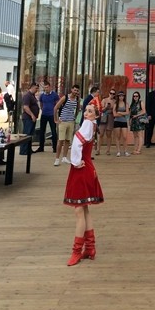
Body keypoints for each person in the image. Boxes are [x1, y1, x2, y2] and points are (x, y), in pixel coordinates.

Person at [63, 104, 104, 266]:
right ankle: (90, 247)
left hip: (81, 168)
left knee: (79, 210)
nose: (86, 113)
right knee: (84, 208)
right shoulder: (92, 125)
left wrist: (75, 160)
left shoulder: (87, 124)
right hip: (87, 167)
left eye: (90, 111)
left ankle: (76, 251)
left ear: (95, 115)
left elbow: (77, 142)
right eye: (86, 110)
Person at [54, 84, 80, 166]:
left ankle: (64, 157)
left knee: (68, 140)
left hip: (71, 121)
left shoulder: (77, 99)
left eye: (77, 90)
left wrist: (74, 118)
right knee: (60, 140)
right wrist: (56, 119)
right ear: (71, 90)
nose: (75, 92)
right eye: (74, 90)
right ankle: (57, 158)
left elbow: (77, 109)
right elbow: (56, 107)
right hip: (63, 121)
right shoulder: (65, 97)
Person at [36, 81, 60, 153]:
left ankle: (55, 147)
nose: (46, 89)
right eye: (45, 88)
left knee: (53, 131)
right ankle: (41, 147)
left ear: (50, 87)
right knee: (42, 131)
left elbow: (57, 104)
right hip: (44, 114)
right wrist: (43, 109)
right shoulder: (42, 95)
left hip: (52, 115)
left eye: (47, 87)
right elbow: (41, 104)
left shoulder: (54, 95)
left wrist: (55, 111)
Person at [20, 82, 40, 154]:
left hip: (32, 118)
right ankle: (24, 150)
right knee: (27, 134)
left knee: (30, 134)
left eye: (37, 88)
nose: (37, 90)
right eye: (36, 88)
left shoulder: (33, 96)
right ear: (32, 87)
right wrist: (32, 115)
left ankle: (28, 149)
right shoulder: (27, 96)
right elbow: (26, 107)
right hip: (28, 118)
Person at [113, 91, 130, 156]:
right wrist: (123, 114)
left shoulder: (126, 103)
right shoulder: (115, 104)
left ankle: (125, 151)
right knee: (118, 137)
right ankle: (118, 151)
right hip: (117, 121)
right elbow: (114, 114)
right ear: (118, 97)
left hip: (124, 121)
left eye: (122, 96)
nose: (121, 97)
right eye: (120, 96)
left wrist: (119, 113)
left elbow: (127, 113)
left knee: (125, 137)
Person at [101, 90, 116, 154]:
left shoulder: (115, 101)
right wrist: (106, 107)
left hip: (111, 117)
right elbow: (101, 109)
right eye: (111, 93)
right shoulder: (104, 100)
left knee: (109, 134)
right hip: (104, 117)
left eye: (113, 94)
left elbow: (115, 111)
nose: (112, 94)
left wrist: (112, 110)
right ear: (109, 93)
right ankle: (98, 150)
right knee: (101, 134)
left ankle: (108, 150)